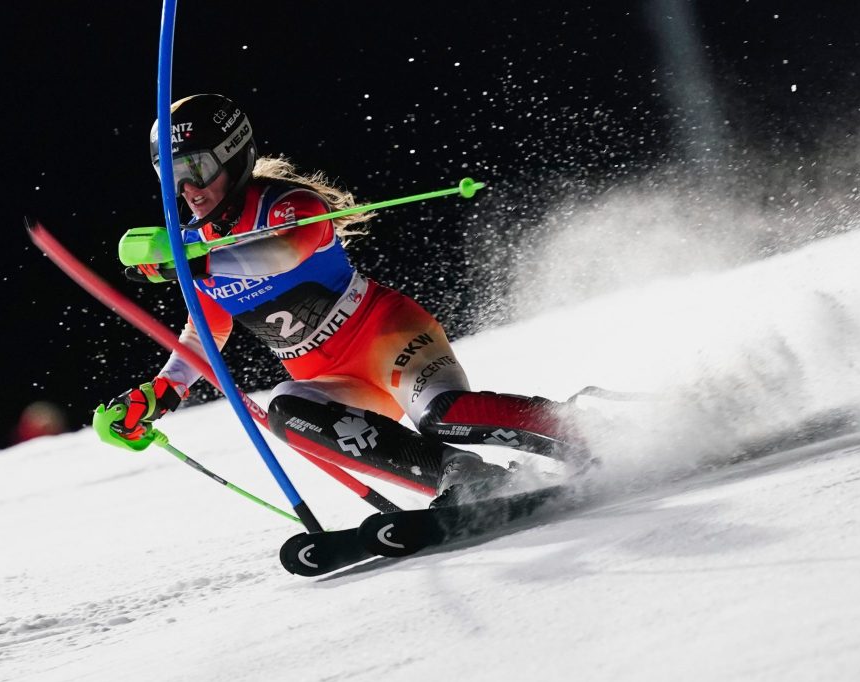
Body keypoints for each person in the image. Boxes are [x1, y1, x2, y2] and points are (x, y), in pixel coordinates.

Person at [98, 93, 585, 504]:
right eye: (171, 175)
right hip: (333, 381)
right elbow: (207, 331)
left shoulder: (287, 205)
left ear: (233, 156)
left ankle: (585, 431)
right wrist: (162, 393)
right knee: (287, 410)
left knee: (444, 417)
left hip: (390, 341)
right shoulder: (193, 243)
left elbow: (283, 253)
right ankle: (465, 477)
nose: (187, 189)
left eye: (198, 169)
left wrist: (195, 261)